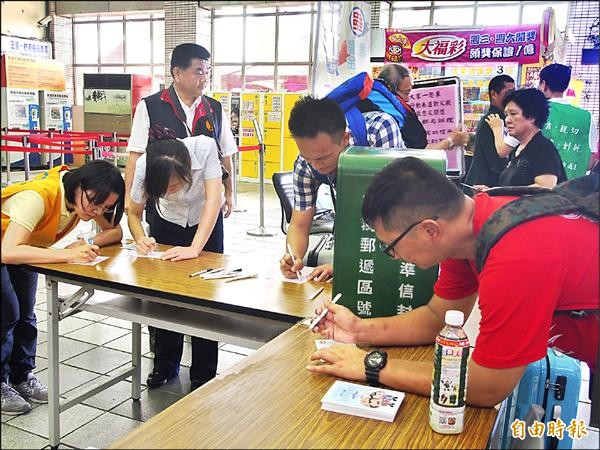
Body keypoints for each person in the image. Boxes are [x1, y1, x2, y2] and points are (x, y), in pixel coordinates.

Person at [306, 156, 598, 407]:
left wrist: (371, 366)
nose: (393, 257)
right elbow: (437, 318)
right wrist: (358, 330)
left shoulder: (516, 258)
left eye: (390, 246)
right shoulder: (473, 227)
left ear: (430, 230)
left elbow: (488, 386)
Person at [1, 161, 125, 415]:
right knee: (7, 314)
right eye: (95, 203)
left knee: (26, 312)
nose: (97, 211)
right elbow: (8, 251)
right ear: (80, 186)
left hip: (24, 249)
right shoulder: (37, 197)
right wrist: (67, 255)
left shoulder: (84, 197)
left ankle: (21, 376)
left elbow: (115, 231)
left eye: (105, 207)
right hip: (9, 249)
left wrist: (86, 241)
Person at [127, 134, 223, 391]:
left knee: (205, 298)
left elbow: (213, 201)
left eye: (176, 184)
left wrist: (195, 248)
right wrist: (141, 239)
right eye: (165, 189)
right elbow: (134, 213)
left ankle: (203, 373)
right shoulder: (145, 166)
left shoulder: (204, 148)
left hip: (205, 224)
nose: (172, 191)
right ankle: (165, 365)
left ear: (186, 169)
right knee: (164, 296)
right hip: (166, 223)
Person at [279, 96, 405, 282]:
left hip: (401, 237)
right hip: (353, 234)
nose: (315, 165)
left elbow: (400, 212)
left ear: (345, 138)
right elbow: (299, 223)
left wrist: (348, 265)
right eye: (307, 157)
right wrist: (294, 257)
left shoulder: (378, 131)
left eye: (322, 158)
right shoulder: (304, 165)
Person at [124, 43, 237, 218]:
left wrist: (229, 192)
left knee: (208, 247)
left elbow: (226, 154)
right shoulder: (149, 107)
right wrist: (128, 197)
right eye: (199, 71)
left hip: (206, 209)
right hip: (164, 207)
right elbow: (136, 156)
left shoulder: (214, 109)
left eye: (207, 71)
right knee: (163, 246)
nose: (205, 78)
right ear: (177, 73)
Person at [485, 88, 566, 189]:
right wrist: (491, 191)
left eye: (513, 114)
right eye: (506, 115)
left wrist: (500, 191)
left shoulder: (544, 149)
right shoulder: (517, 149)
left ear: (532, 117)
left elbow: (545, 187)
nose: (507, 120)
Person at [377, 63, 469, 150]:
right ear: (389, 88)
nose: (408, 99)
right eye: (406, 93)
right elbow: (419, 153)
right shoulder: (392, 116)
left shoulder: (370, 104)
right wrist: (451, 141)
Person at [539, 63, 598, 179]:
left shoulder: (533, 110)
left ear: (543, 84)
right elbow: (589, 163)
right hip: (571, 190)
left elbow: (505, 149)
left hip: (536, 188)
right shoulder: (587, 117)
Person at [464, 74, 517, 190]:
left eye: (514, 92)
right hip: (484, 187)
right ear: (493, 94)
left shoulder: (503, 120)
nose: (512, 97)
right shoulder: (491, 121)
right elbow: (496, 164)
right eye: (508, 93)